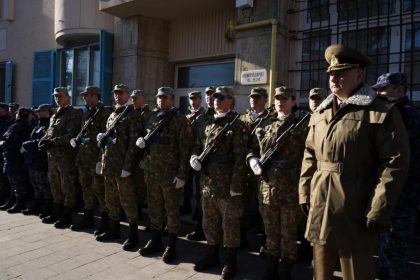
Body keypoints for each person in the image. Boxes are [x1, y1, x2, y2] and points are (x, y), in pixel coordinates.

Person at [299, 44, 410, 280]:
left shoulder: (380, 110)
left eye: (342, 72)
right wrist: (304, 193)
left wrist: (378, 208)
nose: (334, 78)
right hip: (320, 204)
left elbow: (394, 163)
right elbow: (309, 155)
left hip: (356, 209)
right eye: (331, 73)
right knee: (320, 272)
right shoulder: (321, 113)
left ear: (359, 74)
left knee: (356, 273)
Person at [247, 86, 307, 280]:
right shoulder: (264, 124)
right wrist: (252, 160)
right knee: (270, 232)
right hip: (267, 189)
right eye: (277, 98)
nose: (280, 102)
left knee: (289, 235)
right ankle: (271, 269)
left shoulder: (302, 125)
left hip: (291, 191)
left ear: (293, 101)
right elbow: (252, 148)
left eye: (285, 98)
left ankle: (286, 272)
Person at [190, 86, 247, 280]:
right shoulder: (208, 122)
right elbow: (198, 145)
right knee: (209, 222)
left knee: (230, 225)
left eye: (221, 97)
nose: (216, 100)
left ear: (231, 100)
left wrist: (236, 186)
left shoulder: (238, 125)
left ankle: (231, 262)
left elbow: (240, 158)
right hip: (208, 182)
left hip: (227, 186)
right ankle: (212, 254)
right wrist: (194, 157)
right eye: (214, 97)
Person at [371, 72, 420, 280]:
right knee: (386, 245)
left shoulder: (406, 115)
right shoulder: (393, 112)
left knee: (394, 248)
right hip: (393, 191)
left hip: (402, 193)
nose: (379, 93)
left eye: (384, 89)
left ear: (400, 90)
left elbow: (399, 156)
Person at [136, 87, 192, 263]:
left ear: (172, 100)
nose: (161, 100)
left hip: (170, 175)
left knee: (172, 210)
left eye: (164, 98)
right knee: (154, 208)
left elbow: (185, 150)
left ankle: (172, 245)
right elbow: (149, 143)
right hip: (152, 173)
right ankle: (156, 240)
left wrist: (182, 174)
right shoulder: (152, 118)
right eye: (158, 97)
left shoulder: (180, 121)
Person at [95, 84, 142, 251]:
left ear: (128, 95)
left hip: (123, 166)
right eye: (115, 93)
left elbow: (133, 143)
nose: (117, 96)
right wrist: (101, 160)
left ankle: (133, 234)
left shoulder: (132, 114)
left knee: (127, 200)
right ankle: (114, 229)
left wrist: (128, 166)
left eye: (121, 93)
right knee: (111, 199)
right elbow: (108, 141)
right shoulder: (113, 113)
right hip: (109, 164)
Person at [69, 86, 111, 235]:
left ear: (96, 96)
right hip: (84, 158)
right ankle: (88, 217)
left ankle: (105, 221)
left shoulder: (104, 113)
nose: (85, 98)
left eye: (87, 95)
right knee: (86, 188)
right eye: (84, 95)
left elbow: (105, 138)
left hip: (95, 158)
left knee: (100, 190)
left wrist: (101, 159)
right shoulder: (87, 113)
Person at [38, 87, 81, 228]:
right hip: (53, 156)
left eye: (60, 96)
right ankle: (57, 211)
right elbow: (49, 133)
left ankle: (67, 215)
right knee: (55, 184)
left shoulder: (73, 114)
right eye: (56, 96)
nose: (57, 98)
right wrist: (43, 140)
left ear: (67, 97)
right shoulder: (55, 114)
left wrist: (52, 142)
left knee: (67, 186)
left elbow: (71, 135)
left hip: (65, 157)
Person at [239, 87, 271, 250]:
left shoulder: (271, 119)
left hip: (261, 170)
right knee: (242, 204)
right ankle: (242, 236)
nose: (254, 99)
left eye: (258, 97)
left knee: (264, 206)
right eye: (252, 97)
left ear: (265, 99)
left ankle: (265, 241)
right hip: (244, 169)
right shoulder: (242, 119)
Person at [186, 86, 216, 242]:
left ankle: (207, 230)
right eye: (208, 95)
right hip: (197, 159)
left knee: (206, 196)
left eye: (213, 95)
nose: (210, 98)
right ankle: (200, 227)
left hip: (212, 164)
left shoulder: (216, 116)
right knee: (198, 195)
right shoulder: (201, 117)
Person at [20, 104, 53, 217]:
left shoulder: (49, 124)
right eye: (37, 111)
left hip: (42, 159)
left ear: (47, 111)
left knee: (44, 184)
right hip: (33, 159)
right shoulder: (37, 124)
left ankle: (48, 206)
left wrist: (27, 144)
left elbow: (41, 141)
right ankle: (38, 204)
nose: (38, 113)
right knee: (35, 184)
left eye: (40, 111)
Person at [0, 108, 32, 213]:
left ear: (19, 115)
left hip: (13, 158)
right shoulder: (26, 126)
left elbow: (9, 141)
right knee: (16, 182)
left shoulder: (16, 126)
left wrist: (2, 143)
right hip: (18, 157)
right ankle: (13, 201)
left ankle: (19, 204)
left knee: (15, 182)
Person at [130, 89, 153, 222]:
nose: (133, 100)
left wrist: (145, 158)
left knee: (144, 189)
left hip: (144, 158)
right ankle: (136, 214)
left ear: (143, 99)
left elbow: (149, 139)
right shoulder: (131, 113)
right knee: (134, 188)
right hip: (132, 156)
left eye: (136, 98)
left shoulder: (150, 114)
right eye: (132, 98)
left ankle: (151, 220)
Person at [181, 90, 205, 216]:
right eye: (191, 99)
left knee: (198, 184)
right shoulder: (186, 116)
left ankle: (198, 211)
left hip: (199, 154)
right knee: (187, 182)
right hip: (187, 153)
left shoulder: (204, 115)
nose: (193, 101)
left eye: (195, 98)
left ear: (200, 100)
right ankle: (186, 206)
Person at [0, 103, 12, 207]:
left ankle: (4, 196)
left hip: (3, 150)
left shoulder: (9, 121)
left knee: (3, 176)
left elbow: (5, 136)